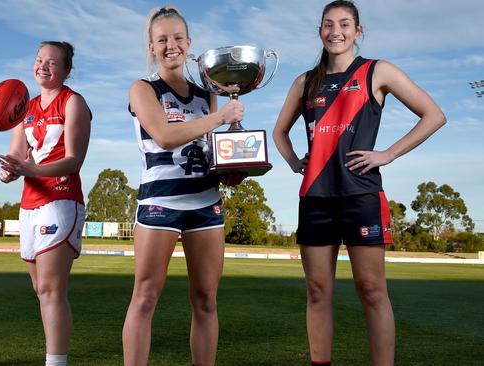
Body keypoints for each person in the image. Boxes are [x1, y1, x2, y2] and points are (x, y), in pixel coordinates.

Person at [272, 1, 446, 365]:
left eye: (345, 24)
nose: (336, 31)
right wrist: (294, 162)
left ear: (358, 30)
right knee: (318, 292)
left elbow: (434, 115)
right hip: (316, 198)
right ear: (320, 30)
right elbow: (280, 131)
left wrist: (389, 154)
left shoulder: (376, 71)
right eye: (328, 24)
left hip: (361, 195)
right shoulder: (305, 81)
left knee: (371, 291)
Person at [121, 6, 245, 366]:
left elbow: (205, 148)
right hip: (160, 203)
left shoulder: (206, 93)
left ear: (189, 44)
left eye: (177, 38)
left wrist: (229, 171)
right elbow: (163, 136)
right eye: (162, 40)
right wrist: (221, 117)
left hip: (206, 202)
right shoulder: (142, 89)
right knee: (145, 297)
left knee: (206, 300)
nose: (170, 45)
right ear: (151, 47)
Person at [0, 41, 91, 366]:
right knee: (41, 290)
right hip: (30, 204)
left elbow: (73, 161)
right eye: (39, 60)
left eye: (52, 62)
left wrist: (29, 169)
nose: (43, 67)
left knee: (51, 290)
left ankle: (55, 362)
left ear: (66, 70)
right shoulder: (25, 108)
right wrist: (8, 171)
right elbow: (16, 155)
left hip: (61, 200)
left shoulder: (74, 103)